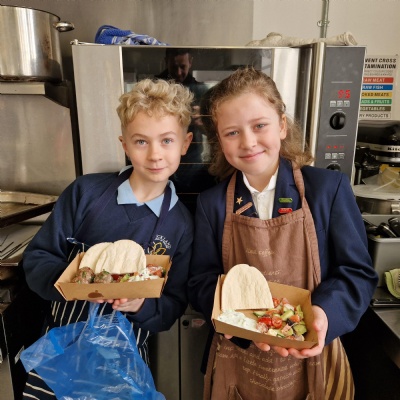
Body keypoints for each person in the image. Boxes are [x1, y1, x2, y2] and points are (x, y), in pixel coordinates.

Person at [188, 67, 378, 400]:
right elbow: (201, 280)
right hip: (239, 357)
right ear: (219, 141)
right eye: (232, 132)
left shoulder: (327, 190)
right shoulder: (211, 204)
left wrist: (323, 315)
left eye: (259, 125)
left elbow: (357, 273)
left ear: (281, 125)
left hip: (316, 352)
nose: (248, 142)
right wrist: (240, 323)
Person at [22, 78, 194, 399]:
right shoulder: (85, 193)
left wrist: (140, 303)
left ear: (185, 143)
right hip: (60, 359)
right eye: (141, 141)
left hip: (122, 368)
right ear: (124, 144)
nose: (155, 154)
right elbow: (37, 260)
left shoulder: (180, 225)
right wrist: (75, 284)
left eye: (167, 140)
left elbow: (171, 306)